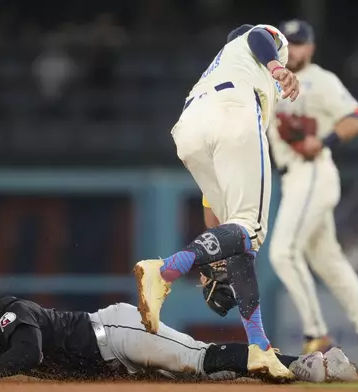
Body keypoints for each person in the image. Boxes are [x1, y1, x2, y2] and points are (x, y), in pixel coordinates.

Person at [201, 19, 358, 380]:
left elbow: (355, 119)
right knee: (328, 259)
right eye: (293, 43)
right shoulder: (261, 78)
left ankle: (316, 333)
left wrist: (323, 142)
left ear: (312, 47)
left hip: (313, 171)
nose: (297, 49)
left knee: (283, 252)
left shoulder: (320, 79)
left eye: (302, 43)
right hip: (293, 178)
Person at [0, 262, 358, 383]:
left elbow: (28, 355)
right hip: (109, 368)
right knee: (209, 376)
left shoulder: (13, 312)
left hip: (114, 335)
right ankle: (300, 370)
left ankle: (312, 364)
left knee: (199, 360)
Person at [133, 23, 300, 381]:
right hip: (234, 109)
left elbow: (218, 220)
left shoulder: (219, 65)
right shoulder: (258, 44)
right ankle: (164, 270)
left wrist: (216, 259)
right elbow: (260, 35)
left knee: (241, 238)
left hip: (191, 125)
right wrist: (277, 67)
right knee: (251, 229)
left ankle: (259, 346)